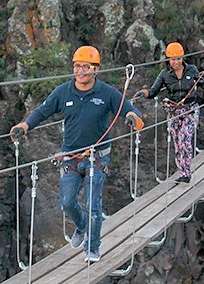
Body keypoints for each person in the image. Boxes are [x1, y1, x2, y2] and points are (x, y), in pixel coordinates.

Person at [10, 46, 144, 262]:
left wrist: (132, 117)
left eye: (85, 66)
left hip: (97, 157)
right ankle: (81, 226)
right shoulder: (64, 92)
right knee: (66, 202)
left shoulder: (107, 93)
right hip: (70, 157)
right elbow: (43, 111)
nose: (80, 70)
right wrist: (25, 126)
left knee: (93, 205)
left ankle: (92, 249)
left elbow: (129, 108)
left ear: (95, 69)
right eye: (77, 66)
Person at [133, 42, 204, 184]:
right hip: (174, 111)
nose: (176, 62)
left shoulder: (191, 70)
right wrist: (143, 93)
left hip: (190, 109)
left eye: (178, 58)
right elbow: (153, 92)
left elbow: (203, 83)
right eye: (173, 59)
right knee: (177, 142)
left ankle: (187, 173)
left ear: (183, 58)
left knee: (184, 138)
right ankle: (182, 172)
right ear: (168, 60)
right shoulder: (165, 75)